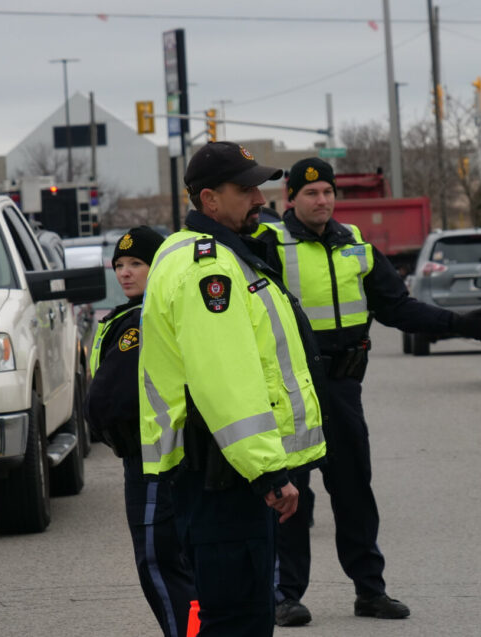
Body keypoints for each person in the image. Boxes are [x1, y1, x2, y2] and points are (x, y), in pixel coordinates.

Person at [256, 157, 481, 626]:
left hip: (344, 388)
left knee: (355, 493)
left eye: (328, 192)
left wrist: (458, 324)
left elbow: (397, 308)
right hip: (291, 390)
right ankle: (284, 595)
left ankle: (370, 591)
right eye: (311, 193)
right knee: (293, 497)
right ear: (291, 198)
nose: (322, 200)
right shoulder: (268, 244)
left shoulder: (355, 245)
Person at [139, 141, 327, 635]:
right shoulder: (210, 268)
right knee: (238, 623)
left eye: (259, 186)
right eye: (244, 189)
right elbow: (226, 381)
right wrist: (269, 473)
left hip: (220, 472)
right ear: (209, 200)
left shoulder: (200, 253)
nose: (259, 198)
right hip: (224, 478)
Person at [85, 226, 199, 637]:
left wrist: (102, 427)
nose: (125, 273)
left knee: (159, 562)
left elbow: (110, 397)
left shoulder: (142, 319)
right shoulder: (137, 312)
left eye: (136, 263)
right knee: (175, 564)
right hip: (156, 455)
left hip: (153, 458)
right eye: (119, 265)